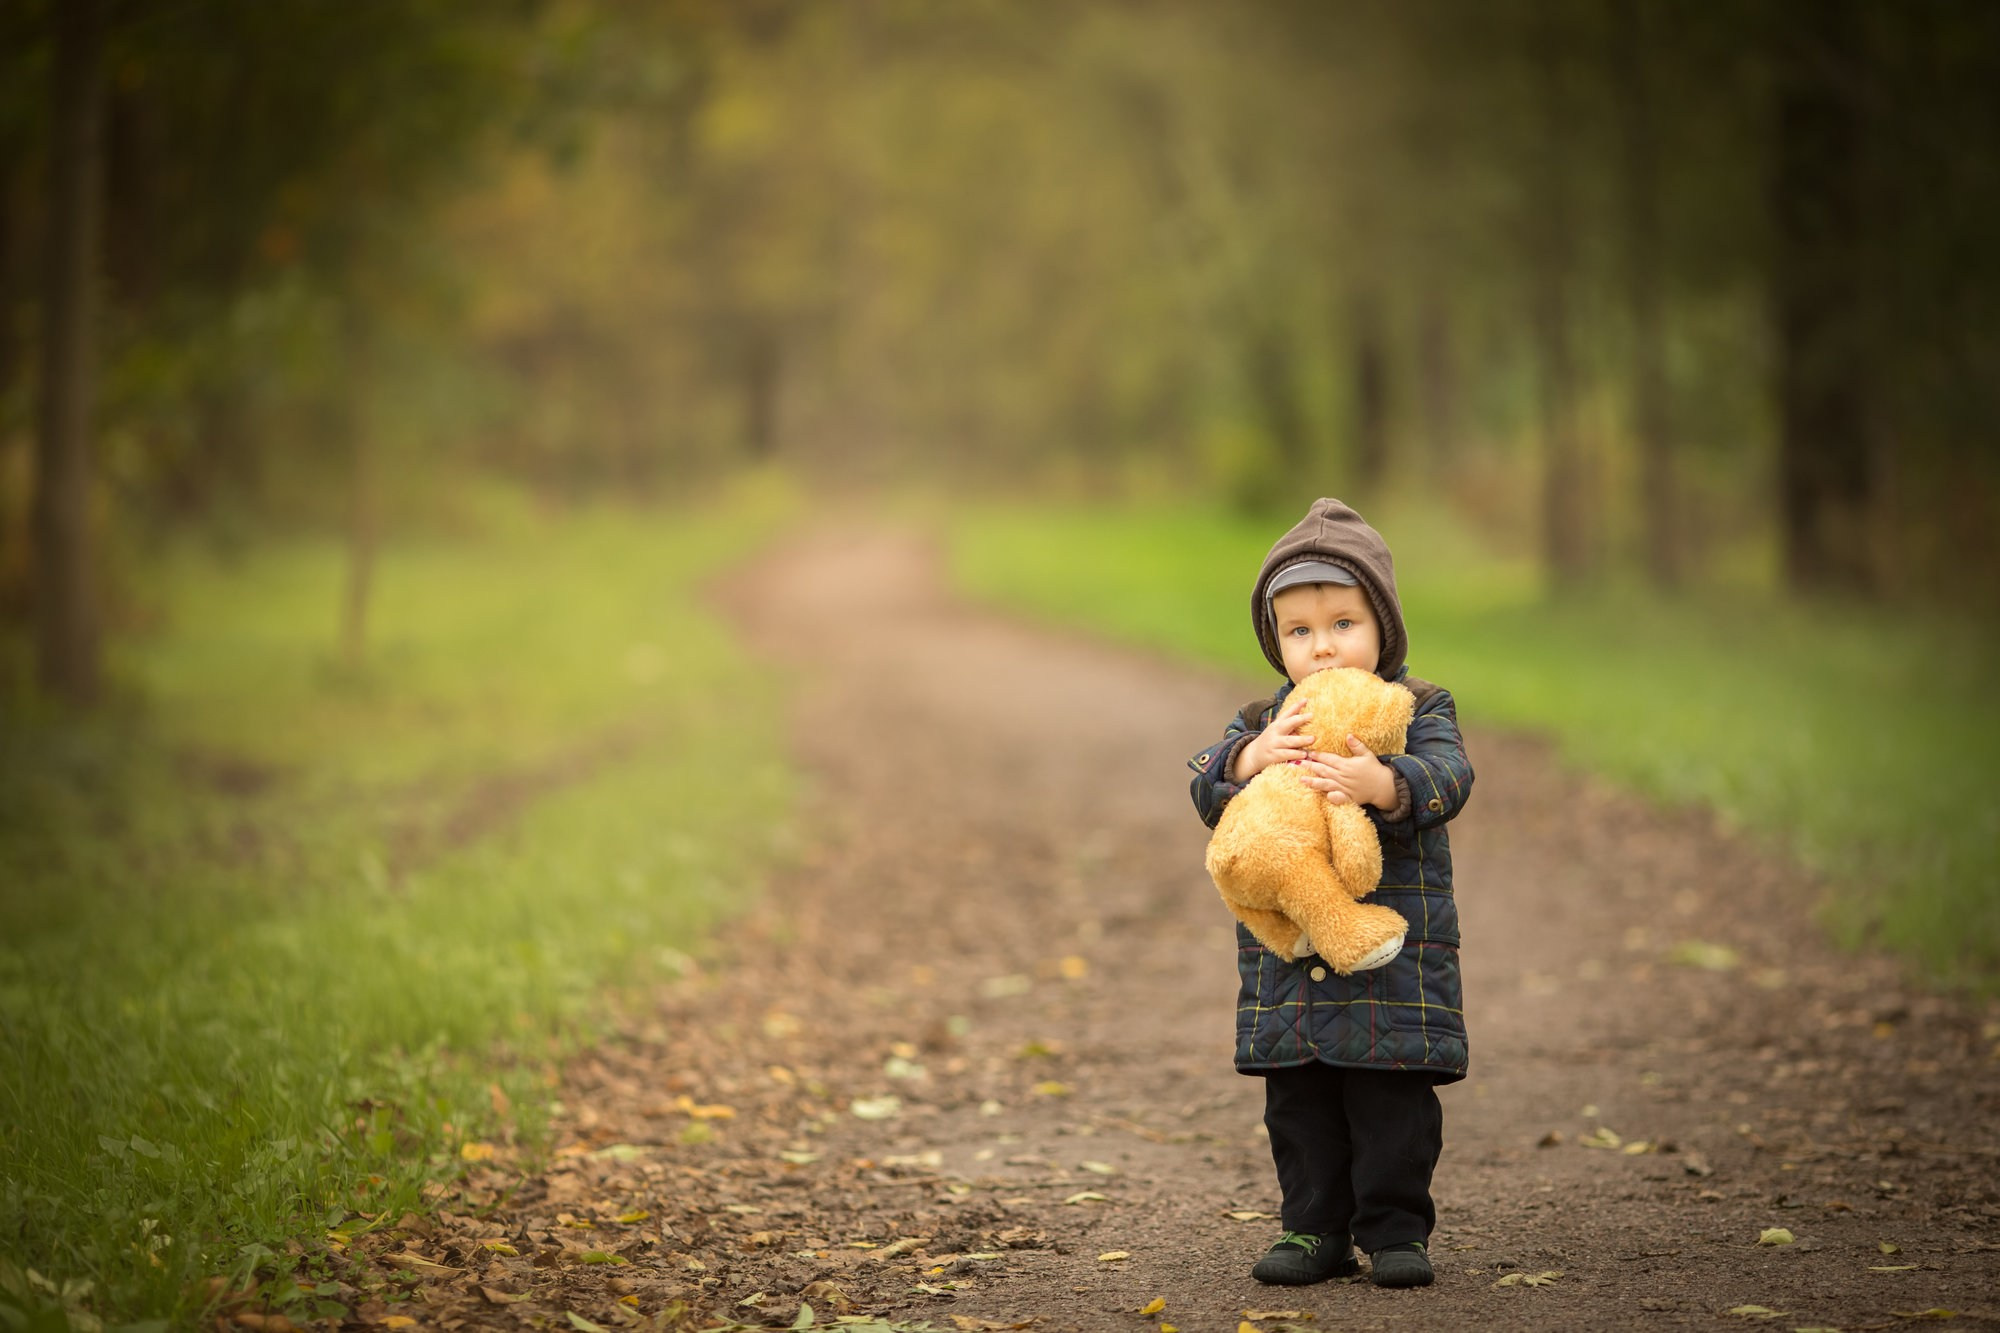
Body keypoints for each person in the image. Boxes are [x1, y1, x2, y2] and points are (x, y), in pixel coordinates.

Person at [1186, 497, 1473, 1289]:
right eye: (1300, 633)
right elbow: (1214, 802)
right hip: (1294, 961)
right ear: (1278, 644)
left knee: (1392, 1101)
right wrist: (1245, 761)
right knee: (1300, 1102)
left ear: (1382, 625)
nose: (1323, 649)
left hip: (1393, 955)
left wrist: (1382, 780)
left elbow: (1451, 778)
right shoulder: (1262, 721)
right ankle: (1313, 1227)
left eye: (1343, 624)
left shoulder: (1419, 708)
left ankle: (1394, 1231)